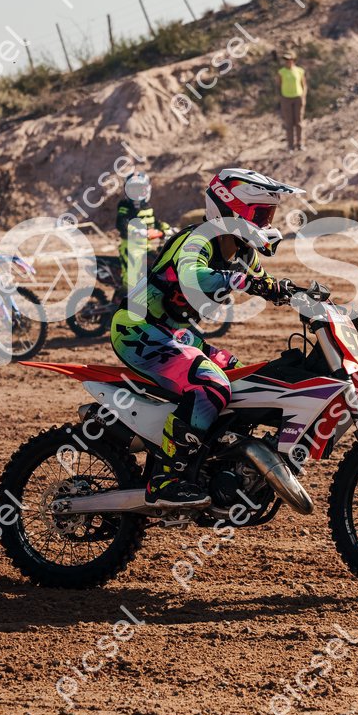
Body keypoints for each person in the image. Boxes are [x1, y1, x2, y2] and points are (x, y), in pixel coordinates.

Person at [110, 167, 303, 507]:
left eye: (268, 215)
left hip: (175, 334)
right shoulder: (197, 240)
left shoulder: (243, 252)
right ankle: (165, 479)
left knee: (245, 377)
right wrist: (242, 281)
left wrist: (308, 299)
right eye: (260, 214)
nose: (266, 222)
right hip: (138, 330)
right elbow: (193, 276)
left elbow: (266, 283)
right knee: (210, 385)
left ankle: (218, 459)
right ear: (232, 208)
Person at [115, 172, 171, 295]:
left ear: (147, 189)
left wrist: (167, 228)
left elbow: (156, 222)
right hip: (130, 246)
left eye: (140, 189)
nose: (136, 193)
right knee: (132, 273)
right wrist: (134, 230)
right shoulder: (125, 206)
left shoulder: (147, 207)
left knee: (159, 263)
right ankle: (126, 295)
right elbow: (121, 223)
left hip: (146, 246)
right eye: (133, 189)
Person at [277, 50, 307, 151]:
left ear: (293, 60)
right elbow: (279, 85)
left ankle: (300, 143)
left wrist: (303, 96)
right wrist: (281, 97)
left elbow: (304, 84)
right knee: (289, 123)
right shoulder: (281, 72)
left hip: (298, 97)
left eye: (289, 59)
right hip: (286, 98)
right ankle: (290, 145)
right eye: (286, 60)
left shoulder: (299, 71)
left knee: (299, 122)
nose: (287, 62)